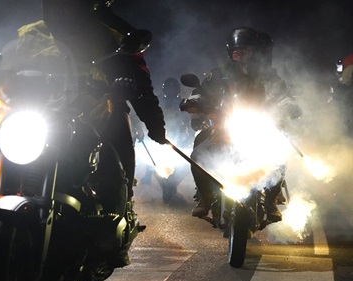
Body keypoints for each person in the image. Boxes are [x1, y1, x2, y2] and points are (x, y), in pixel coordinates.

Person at [41, 0, 166, 266]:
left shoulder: (115, 34)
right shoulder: (34, 33)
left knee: (115, 154)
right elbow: (7, 63)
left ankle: (117, 222)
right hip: (44, 115)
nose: (61, 7)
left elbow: (140, 82)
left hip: (96, 116)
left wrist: (154, 121)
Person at [181, 26, 300, 222]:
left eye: (244, 48)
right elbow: (203, 90)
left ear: (254, 50)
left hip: (259, 125)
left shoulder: (267, 74)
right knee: (198, 152)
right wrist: (194, 100)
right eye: (236, 50)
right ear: (230, 52)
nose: (239, 52)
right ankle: (206, 197)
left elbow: (282, 94)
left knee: (280, 153)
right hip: (226, 124)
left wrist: (289, 105)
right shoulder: (218, 74)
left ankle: (270, 200)